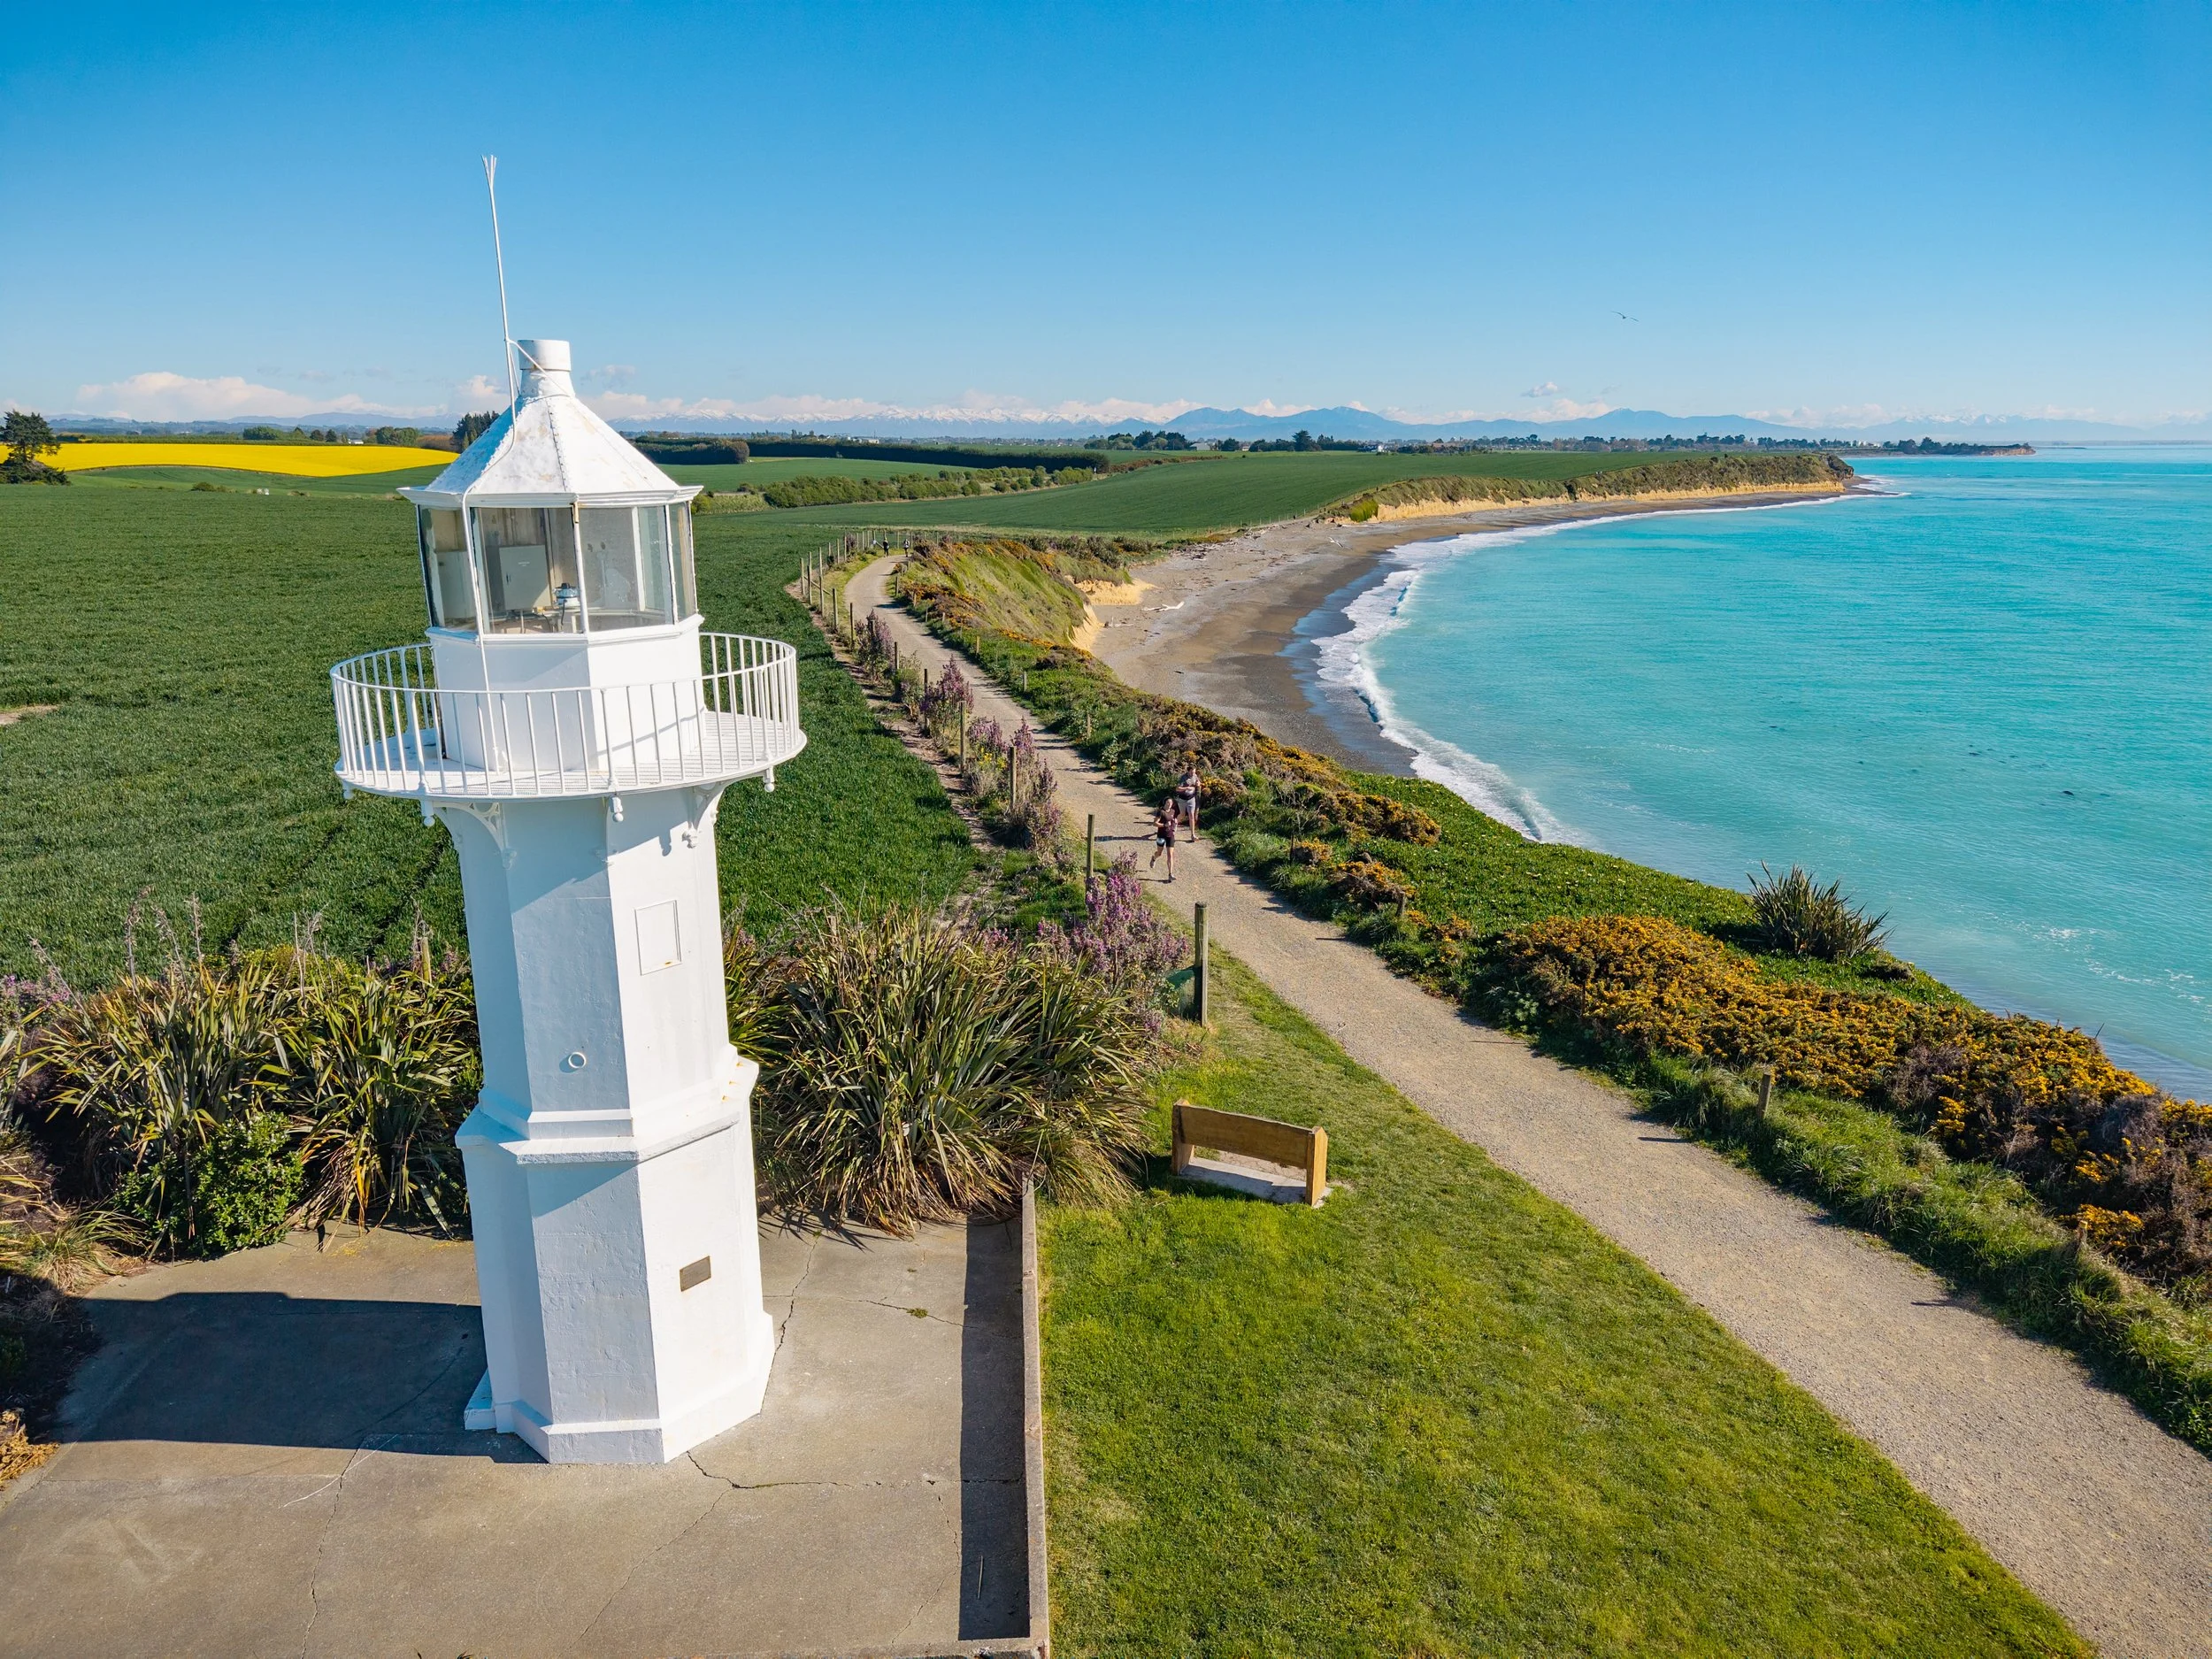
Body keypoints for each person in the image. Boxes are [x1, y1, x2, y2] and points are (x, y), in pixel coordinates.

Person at [1148, 799, 1178, 881]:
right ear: (1165, 803)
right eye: (1168, 802)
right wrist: (1164, 825)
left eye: (1171, 803)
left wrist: (1175, 827)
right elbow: (1154, 823)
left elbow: (1174, 821)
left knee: (1170, 854)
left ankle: (1170, 874)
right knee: (1159, 853)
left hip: (1170, 835)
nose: (1170, 804)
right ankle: (1154, 858)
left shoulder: (1173, 811)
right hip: (1161, 835)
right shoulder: (1161, 812)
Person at [1174, 764, 1202, 842]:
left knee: (1191, 815)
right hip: (1182, 799)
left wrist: (1198, 784)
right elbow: (1177, 789)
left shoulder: (1195, 776)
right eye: (1191, 772)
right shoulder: (1183, 778)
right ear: (1188, 771)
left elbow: (1198, 782)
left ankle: (1193, 835)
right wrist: (1186, 788)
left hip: (1191, 799)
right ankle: (1174, 823)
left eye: (1194, 772)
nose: (1193, 774)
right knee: (1182, 815)